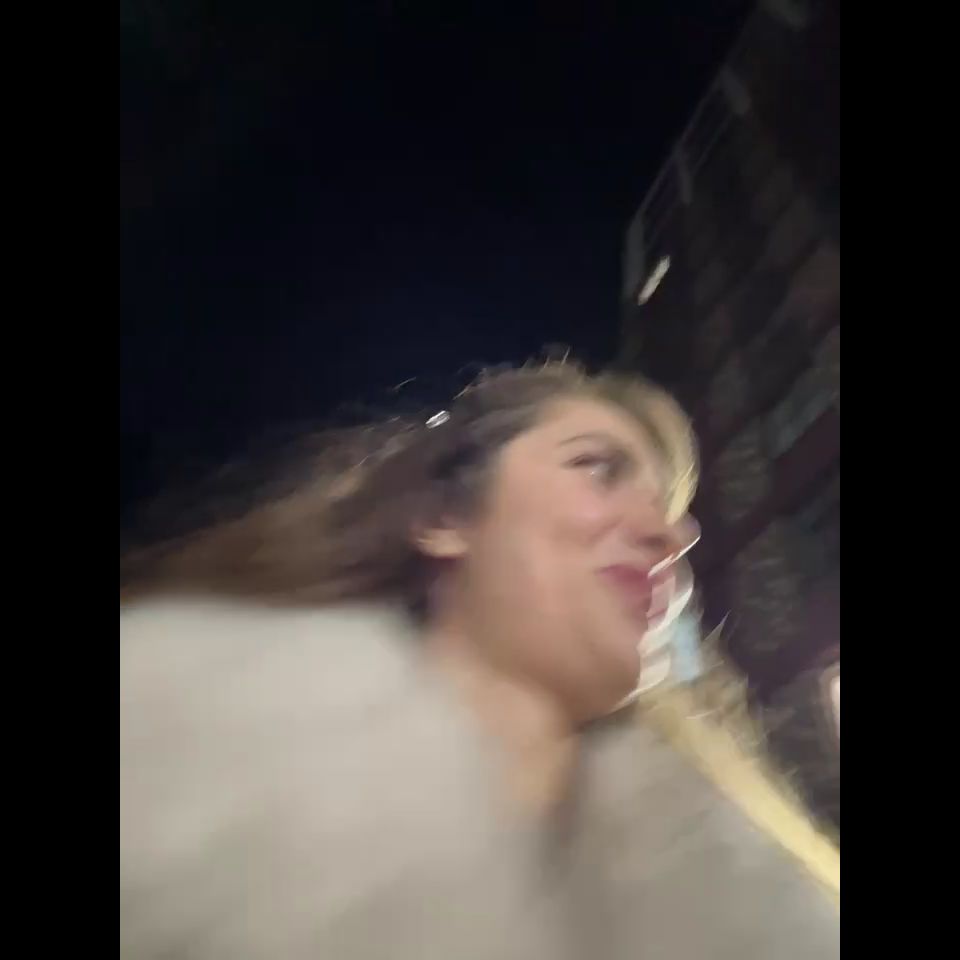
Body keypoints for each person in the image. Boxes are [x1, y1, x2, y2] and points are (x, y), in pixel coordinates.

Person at [120, 363, 839, 959]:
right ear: (444, 520)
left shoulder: (744, 895)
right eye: (597, 469)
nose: (672, 535)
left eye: (670, 510)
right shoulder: (164, 769)